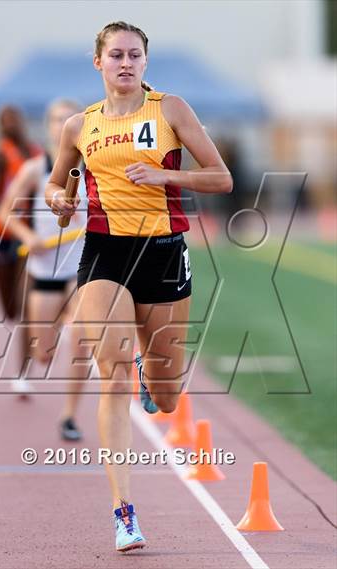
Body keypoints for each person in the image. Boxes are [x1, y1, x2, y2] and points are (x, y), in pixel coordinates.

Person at [45, 21, 233, 552]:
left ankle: (156, 375)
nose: (125, 64)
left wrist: (166, 178)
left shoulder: (170, 110)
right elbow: (57, 184)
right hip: (105, 252)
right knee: (112, 377)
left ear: (145, 62)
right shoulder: (80, 126)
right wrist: (58, 198)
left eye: (134, 55)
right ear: (98, 62)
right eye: (115, 56)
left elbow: (221, 177)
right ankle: (123, 512)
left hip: (165, 251)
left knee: (169, 399)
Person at [0, 99, 87, 439]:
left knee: (80, 339)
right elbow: (5, 211)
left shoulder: (95, 168)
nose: (61, 124)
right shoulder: (36, 169)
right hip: (46, 265)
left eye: (68, 118)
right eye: (55, 119)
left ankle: (69, 417)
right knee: (43, 352)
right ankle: (59, 337)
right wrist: (28, 235)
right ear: (49, 126)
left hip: (83, 264)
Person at [0, 106, 41, 377]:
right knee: (10, 310)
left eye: (15, 119)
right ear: (1, 126)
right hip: (0, 235)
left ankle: (23, 371)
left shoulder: (36, 153)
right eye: (6, 122)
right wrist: (8, 206)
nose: (12, 125)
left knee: (27, 304)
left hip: (26, 236)